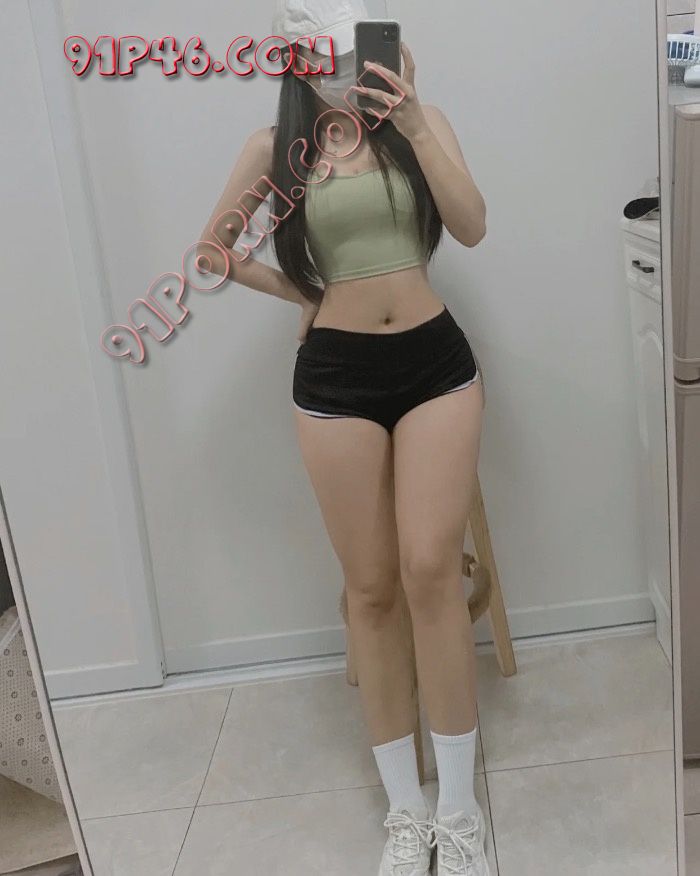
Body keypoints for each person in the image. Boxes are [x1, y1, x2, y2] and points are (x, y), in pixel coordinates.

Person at [197, 2, 489, 873]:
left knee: (430, 570)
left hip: (436, 365)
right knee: (370, 590)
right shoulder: (273, 149)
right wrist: (305, 294)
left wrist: (414, 122)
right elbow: (213, 252)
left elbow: (472, 225)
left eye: (354, 44)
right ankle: (406, 811)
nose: (340, 64)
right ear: (295, 57)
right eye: (322, 51)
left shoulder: (418, 126)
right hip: (334, 381)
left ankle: (460, 811)